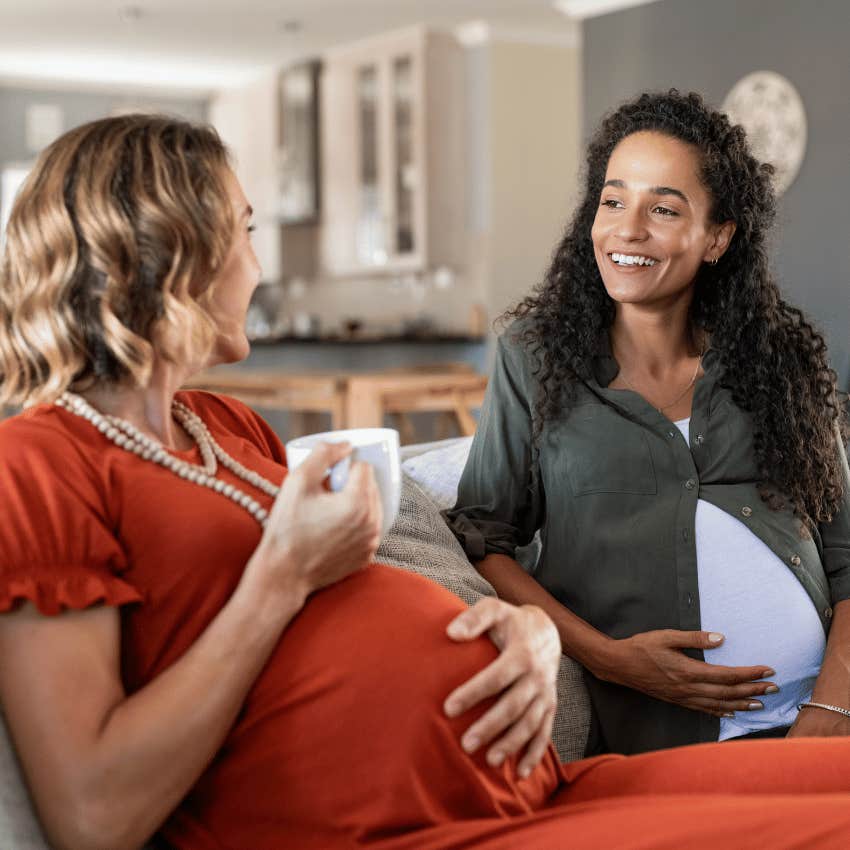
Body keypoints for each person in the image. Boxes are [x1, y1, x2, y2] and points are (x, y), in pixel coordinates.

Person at [1, 111, 850, 850]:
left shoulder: (222, 428)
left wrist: (529, 633)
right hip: (407, 820)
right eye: (246, 230)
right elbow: (93, 817)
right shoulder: (35, 467)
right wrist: (281, 575)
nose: (259, 268)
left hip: (517, 782)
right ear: (167, 255)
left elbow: (361, 607)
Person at [446, 89, 850, 756]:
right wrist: (607, 657)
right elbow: (485, 539)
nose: (627, 228)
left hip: (817, 726)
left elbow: (845, 556)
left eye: (663, 208)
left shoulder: (783, 362)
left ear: (717, 237)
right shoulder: (533, 359)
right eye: (613, 200)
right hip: (655, 740)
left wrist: (834, 705)